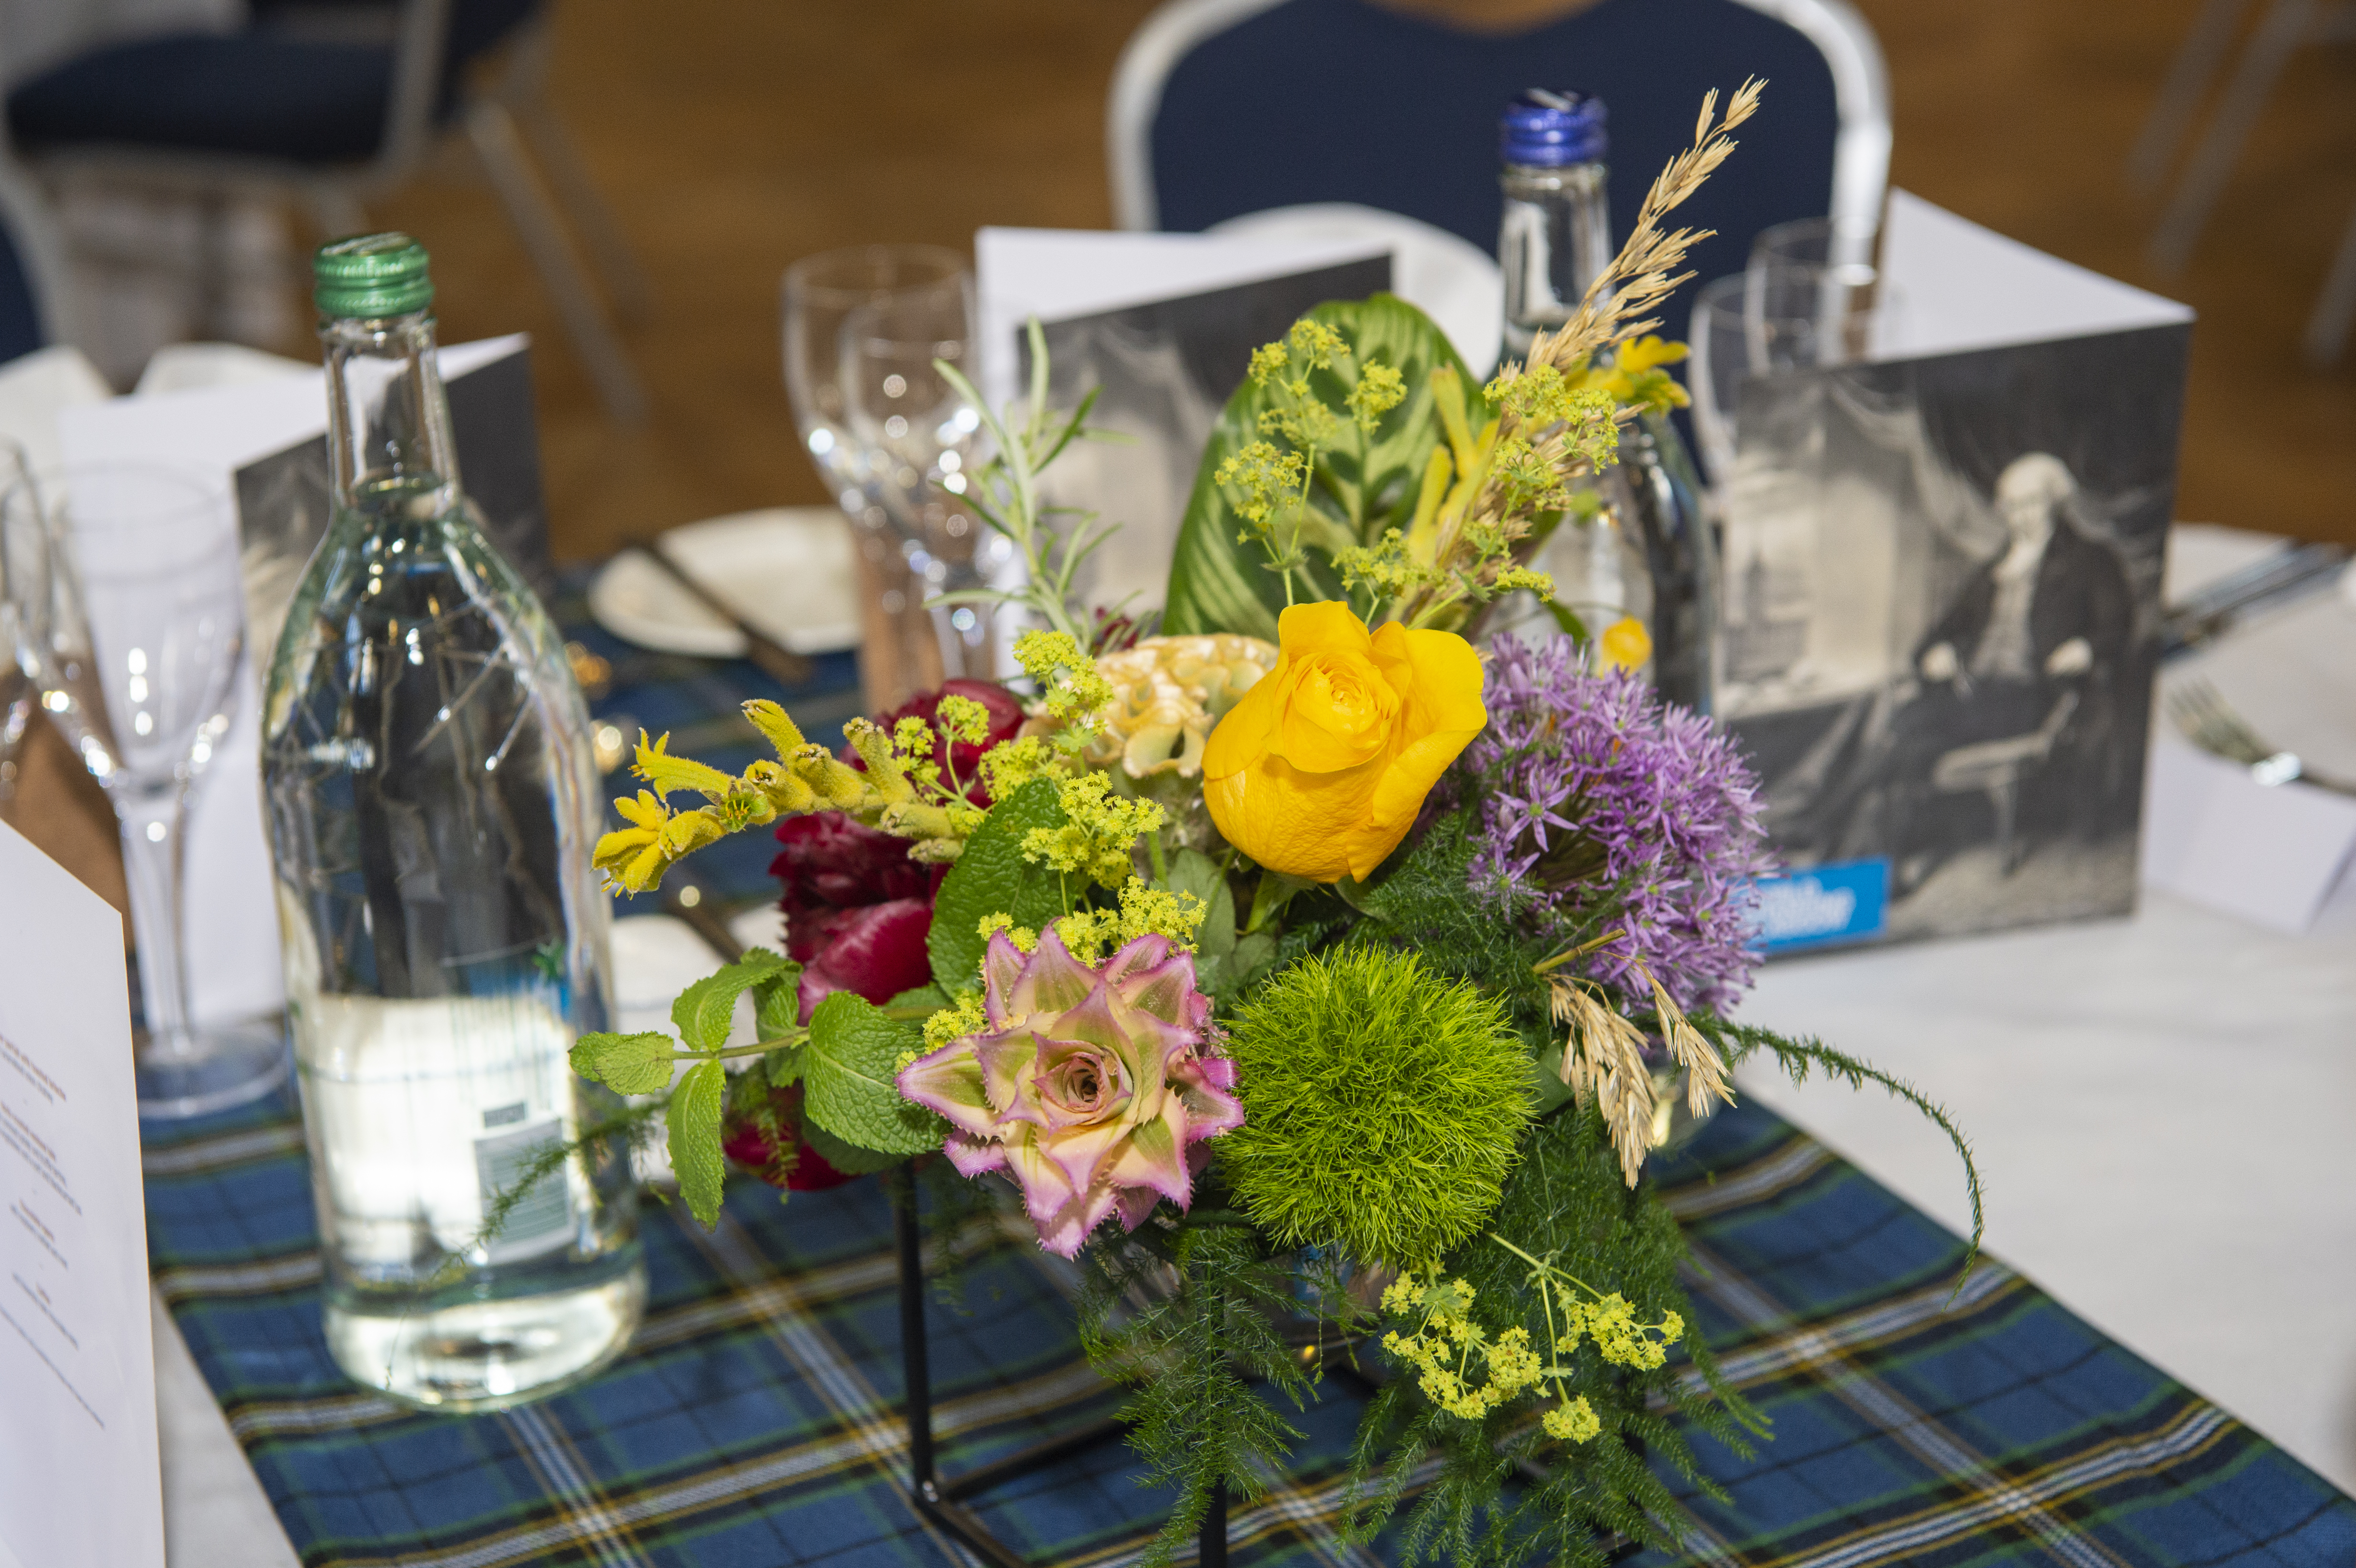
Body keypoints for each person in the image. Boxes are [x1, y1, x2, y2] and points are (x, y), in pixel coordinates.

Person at [1880, 453, 2132, 886]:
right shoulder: (1993, 570)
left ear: (2056, 503)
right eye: (2011, 505)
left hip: (2035, 696)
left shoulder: (2090, 561)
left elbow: (2117, 627)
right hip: (1974, 693)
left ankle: (1853, 847)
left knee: (1904, 735)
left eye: (2031, 502)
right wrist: (1936, 653)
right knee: (1897, 730)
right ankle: (1867, 850)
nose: (2020, 515)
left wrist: (2085, 648)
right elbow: (1934, 636)